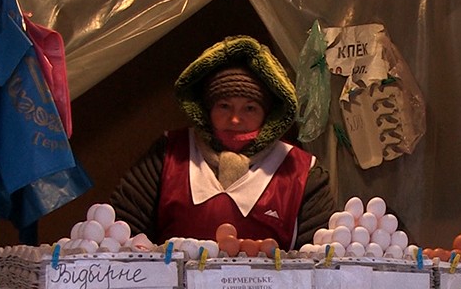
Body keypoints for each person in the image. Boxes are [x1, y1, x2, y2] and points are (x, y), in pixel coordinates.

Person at [110, 36, 333, 250]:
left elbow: (320, 256)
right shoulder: (169, 154)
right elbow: (122, 230)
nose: (235, 119)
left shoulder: (302, 173)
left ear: (268, 114)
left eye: (250, 108)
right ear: (207, 109)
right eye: (224, 106)